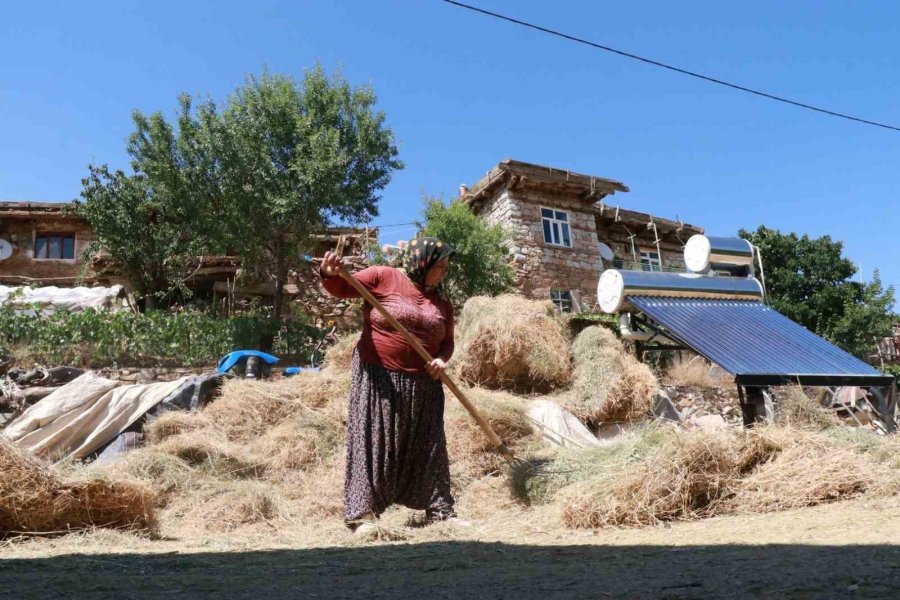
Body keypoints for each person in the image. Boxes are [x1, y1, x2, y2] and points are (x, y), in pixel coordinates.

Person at [319, 237, 459, 533]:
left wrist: (442, 361)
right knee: (376, 441)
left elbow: (447, 343)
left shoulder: (442, 304)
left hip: (424, 385)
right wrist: (331, 272)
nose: (444, 272)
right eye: (440, 266)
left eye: (446, 266)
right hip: (381, 377)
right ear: (422, 262)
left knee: (429, 447)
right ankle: (364, 515)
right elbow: (342, 287)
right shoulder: (384, 276)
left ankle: (440, 511)